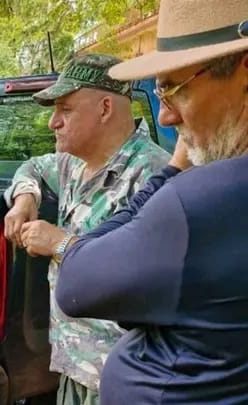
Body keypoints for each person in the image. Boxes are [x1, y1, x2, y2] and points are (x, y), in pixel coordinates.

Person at [55, 0, 248, 403]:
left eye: (174, 88)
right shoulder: (68, 167)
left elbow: (76, 284)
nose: (165, 117)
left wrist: (173, 171)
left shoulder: (197, 201)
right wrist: (24, 191)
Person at [2, 54, 170, 404]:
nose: (53, 122)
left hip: (122, 377)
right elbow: (33, 167)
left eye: (65, 109)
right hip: (74, 366)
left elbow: (150, 279)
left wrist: (61, 244)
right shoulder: (72, 166)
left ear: (105, 108)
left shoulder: (153, 176)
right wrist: (24, 197)